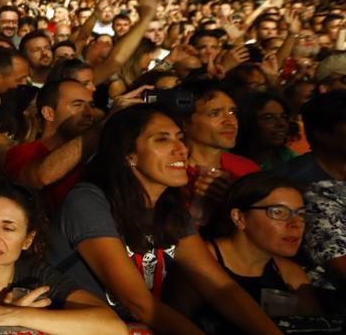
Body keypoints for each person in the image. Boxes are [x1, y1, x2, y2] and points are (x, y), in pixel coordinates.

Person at [47, 104, 282, 334]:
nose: (181, 148)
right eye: (162, 139)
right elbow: (138, 303)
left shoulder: (170, 210)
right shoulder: (88, 202)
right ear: (130, 156)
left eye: (180, 138)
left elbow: (221, 288)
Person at [0, 181, 125, 333]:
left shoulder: (37, 274)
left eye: (8, 228)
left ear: (28, 240)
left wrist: (13, 316)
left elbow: (113, 327)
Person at [166, 173, 321, 330]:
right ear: (239, 218)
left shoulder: (291, 276)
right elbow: (171, 326)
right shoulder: (198, 263)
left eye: (301, 214)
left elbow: (314, 330)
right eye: (278, 213)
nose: (296, 224)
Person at [3, 79, 97, 209]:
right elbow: (41, 177)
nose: (89, 113)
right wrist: (99, 129)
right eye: (77, 105)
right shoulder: (23, 153)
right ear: (49, 113)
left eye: (91, 105)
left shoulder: (97, 152)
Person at [178, 80, 261, 225]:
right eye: (215, 114)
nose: (230, 121)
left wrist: (235, 197)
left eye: (232, 112)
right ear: (184, 121)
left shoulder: (246, 170)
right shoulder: (169, 172)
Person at [233, 92, 299, 171]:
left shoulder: (290, 160)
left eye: (283, 117)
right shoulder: (226, 162)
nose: (282, 123)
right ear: (247, 122)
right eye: (268, 118)